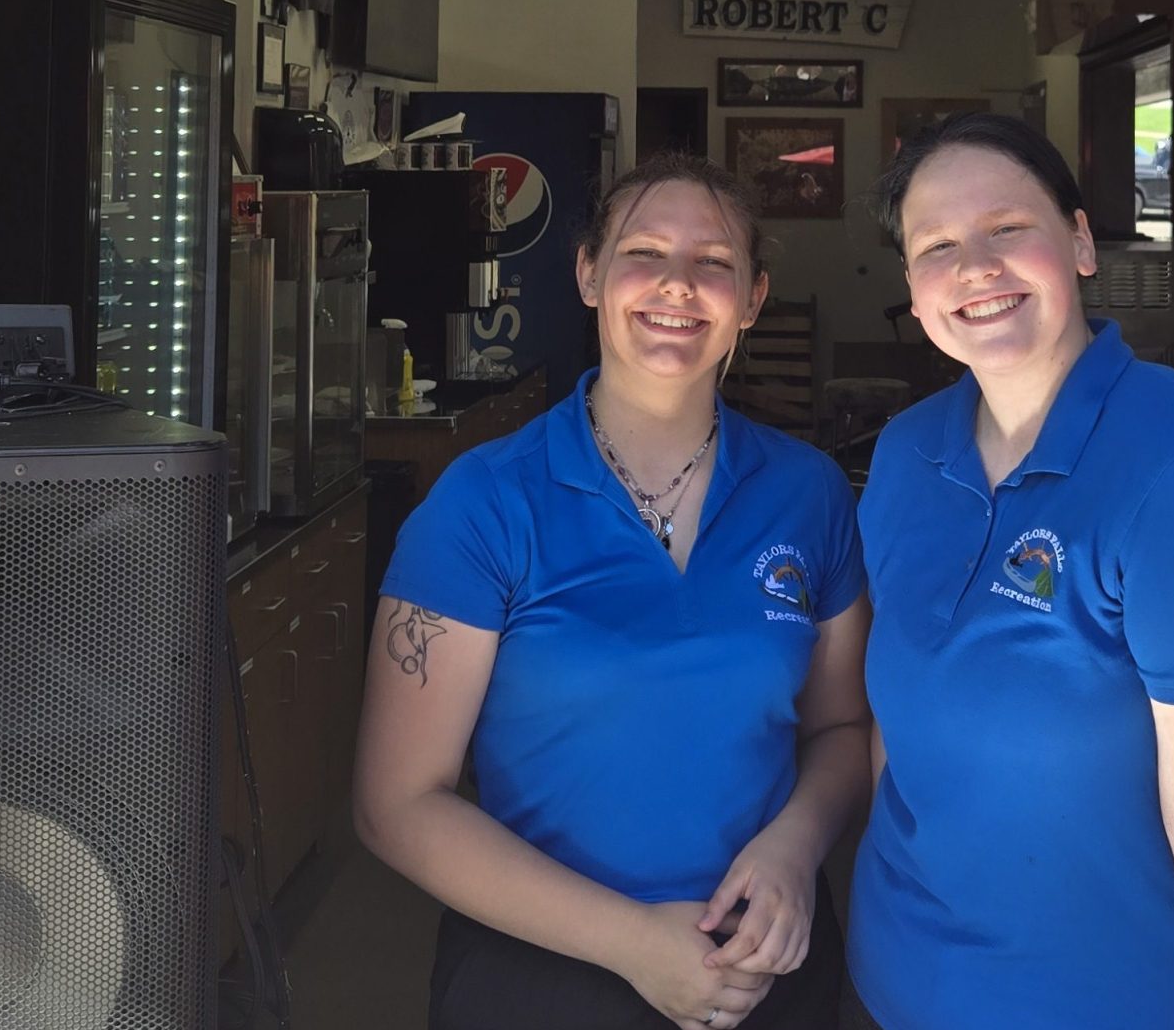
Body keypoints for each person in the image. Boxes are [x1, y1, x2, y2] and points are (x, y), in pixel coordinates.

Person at [358, 151, 871, 1030]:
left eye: (714, 263)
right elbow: (396, 803)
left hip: (763, 966)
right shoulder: (487, 503)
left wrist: (797, 846)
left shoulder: (809, 493)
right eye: (644, 253)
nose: (677, 286)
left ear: (751, 299)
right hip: (539, 972)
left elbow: (840, 727)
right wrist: (632, 941)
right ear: (590, 273)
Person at [845, 114, 1174, 1030]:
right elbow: (896, 736)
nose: (975, 265)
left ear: (1082, 242)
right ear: (912, 284)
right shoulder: (905, 457)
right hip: (892, 983)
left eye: (1008, 228)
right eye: (937, 244)